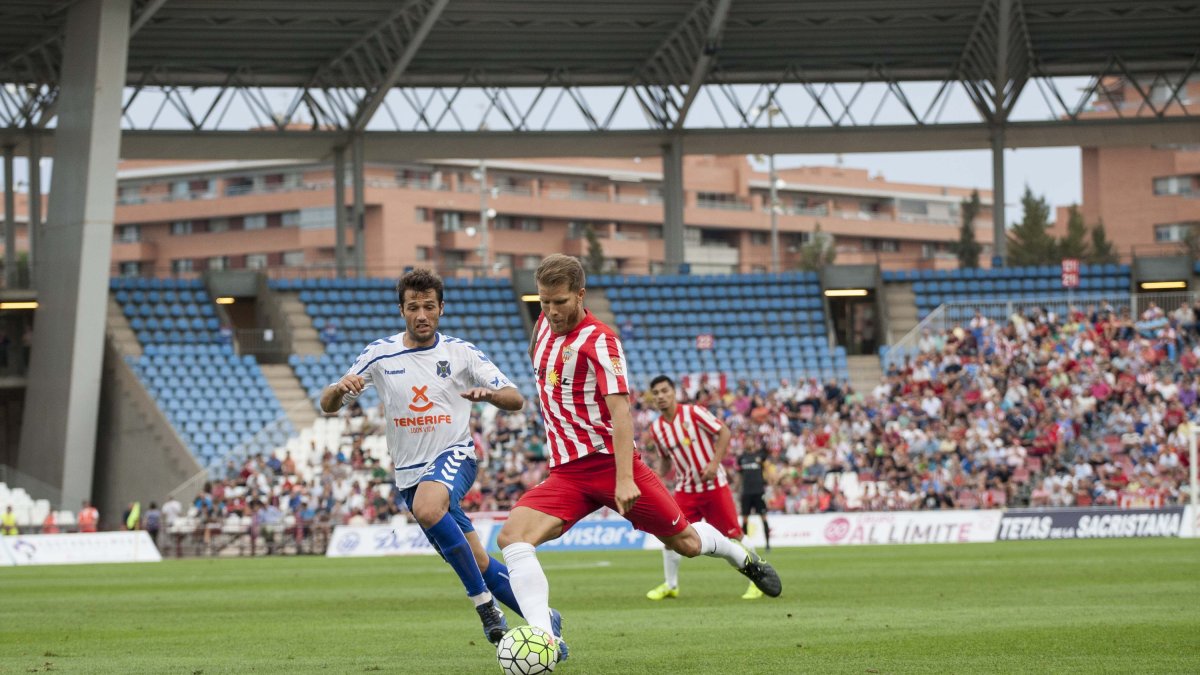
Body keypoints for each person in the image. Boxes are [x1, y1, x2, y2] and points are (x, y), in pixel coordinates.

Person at [497, 255, 782, 663]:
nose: (551, 312)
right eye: (543, 302)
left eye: (559, 302)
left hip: (611, 466)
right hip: (567, 473)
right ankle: (545, 642)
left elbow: (621, 413)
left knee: (684, 542)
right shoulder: (541, 327)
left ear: (580, 295)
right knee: (512, 538)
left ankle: (743, 558)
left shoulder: (602, 340)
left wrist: (625, 478)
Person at [321, 268, 531, 645]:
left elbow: (515, 398)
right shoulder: (380, 355)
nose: (421, 314)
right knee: (478, 560)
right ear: (401, 310)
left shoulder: (460, 353)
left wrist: (490, 395)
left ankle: (484, 606)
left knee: (429, 507)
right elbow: (328, 404)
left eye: (428, 307)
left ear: (441, 309)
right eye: (413, 307)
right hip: (409, 476)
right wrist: (340, 389)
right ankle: (546, 622)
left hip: (456, 456)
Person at [644, 375, 765, 601]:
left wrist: (713, 464)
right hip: (685, 490)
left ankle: (757, 580)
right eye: (656, 393)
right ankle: (671, 585)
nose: (660, 396)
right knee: (670, 535)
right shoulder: (657, 429)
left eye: (664, 391)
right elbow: (666, 461)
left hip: (713, 486)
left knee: (735, 534)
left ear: (674, 392)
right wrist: (656, 475)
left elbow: (724, 432)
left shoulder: (693, 412)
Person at [737, 445, 772, 552]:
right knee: (745, 519)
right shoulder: (741, 458)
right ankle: (745, 545)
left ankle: (767, 545)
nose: (749, 442)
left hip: (758, 491)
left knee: (763, 517)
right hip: (746, 492)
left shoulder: (759, 455)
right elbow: (739, 474)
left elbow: (767, 451)